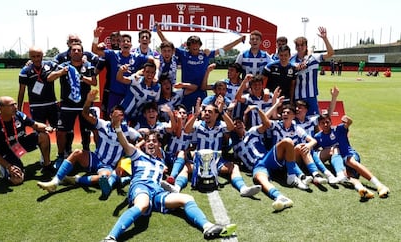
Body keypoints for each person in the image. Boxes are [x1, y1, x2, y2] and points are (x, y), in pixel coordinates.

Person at [100, 129, 237, 241]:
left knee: (187, 198)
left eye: (154, 141)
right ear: (144, 144)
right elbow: (125, 143)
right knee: (142, 205)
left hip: (157, 192)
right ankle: (111, 237)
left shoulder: (161, 164)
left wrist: (170, 186)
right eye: (148, 141)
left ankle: (208, 227)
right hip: (141, 186)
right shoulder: (137, 155)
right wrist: (118, 128)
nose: (151, 143)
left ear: (159, 144)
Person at [37, 90, 141, 199]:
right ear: (110, 115)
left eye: (120, 115)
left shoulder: (129, 131)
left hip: (108, 165)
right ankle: (54, 182)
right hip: (95, 158)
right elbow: (85, 114)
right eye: (116, 114)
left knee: (104, 178)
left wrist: (137, 146)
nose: (118, 117)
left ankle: (75, 179)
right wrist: (88, 101)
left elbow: (140, 138)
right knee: (76, 152)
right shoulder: (103, 124)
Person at [161, 98, 261, 197]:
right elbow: (187, 130)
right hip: (200, 162)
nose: (207, 113)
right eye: (205, 111)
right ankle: (176, 188)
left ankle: (243, 188)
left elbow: (231, 127)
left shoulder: (221, 125)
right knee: (186, 167)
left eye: (210, 111)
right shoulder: (199, 124)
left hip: (216, 161)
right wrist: (196, 114)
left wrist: (222, 113)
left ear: (216, 115)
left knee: (234, 167)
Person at [156, 25, 245, 112]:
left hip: (201, 92)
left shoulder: (205, 54)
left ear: (200, 45)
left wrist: (239, 40)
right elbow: (168, 45)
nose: (195, 46)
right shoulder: (183, 54)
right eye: (192, 44)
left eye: (197, 44)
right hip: (187, 92)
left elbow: (223, 49)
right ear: (188, 46)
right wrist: (159, 32)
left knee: (201, 115)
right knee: (186, 116)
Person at [230, 106, 299, 211]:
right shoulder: (234, 145)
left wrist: (257, 109)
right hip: (257, 166)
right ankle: (280, 197)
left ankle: (291, 176)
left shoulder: (252, 131)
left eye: (240, 122)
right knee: (259, 178)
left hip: (267, 158)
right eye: (235, 124)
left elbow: (266, 124)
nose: (238, 124)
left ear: (244, 124)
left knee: (288, 141)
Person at [314, 113, 390, 199]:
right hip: (338, 162)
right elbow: (314, 150)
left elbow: (348, 123)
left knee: (349, 161)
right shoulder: (318, 136)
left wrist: (348, 119)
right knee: (347, 175)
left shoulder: (338, 129)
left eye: (327, 122)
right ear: (319, 125)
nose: (325, 124)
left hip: (349, 154)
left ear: (331, 122)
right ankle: (362, 189)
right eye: (322, 123)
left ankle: (380, 185)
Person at [47, 43, 97, 166]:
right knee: (62, 132)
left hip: (84, 105)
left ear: (82, 53)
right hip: (67, 105)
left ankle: (86, 153)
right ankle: (60, 156)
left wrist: (81, 77)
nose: (76, 52)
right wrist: (61, 73)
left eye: (78, 50)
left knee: (86, 131)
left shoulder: (88, 65)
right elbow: (49, 78)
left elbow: (94, 82)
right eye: (73, 50)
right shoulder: (64, 66)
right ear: (69, 53)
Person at [0, 96, 55, 185]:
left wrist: (47, 127)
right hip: (6, 152)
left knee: (43, 135)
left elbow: (35, 125)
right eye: (11, 105)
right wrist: (9, 166)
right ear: (1, 108)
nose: (15, 107)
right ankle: (5, 168)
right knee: (17, 180)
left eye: (15, 104)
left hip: (20, 144)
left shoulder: (19, 115)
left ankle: (47, 165)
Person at [92, 27, 157, 115]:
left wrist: (155, 75)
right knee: (113, 118)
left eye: (128, 41)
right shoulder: (113, 54)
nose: (125, 43)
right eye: (123, 41)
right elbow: (95, 50)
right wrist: (96, 37)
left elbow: (155, 60)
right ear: (120, 44)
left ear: (131, 45)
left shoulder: (137, 57)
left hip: (129, 95)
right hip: (114, 94)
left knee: (126, 120)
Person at [290, 26, 334, 116]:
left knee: (314, 121)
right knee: (299, 122)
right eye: (297, 45)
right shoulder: (291, 60)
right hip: (298, 96)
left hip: (311, 96)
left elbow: (330, 53)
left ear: (306, 46)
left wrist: (325, 39)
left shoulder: (314, 57)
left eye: (302, 45)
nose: (300, 47)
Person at [17, 46, 59, 134]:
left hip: (52, 104)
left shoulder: (50, 65)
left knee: (59, 131)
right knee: (40, 134)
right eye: (33, 56)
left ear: (42, 55)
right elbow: (21, 91)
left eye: (38, 56)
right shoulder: (25, 71)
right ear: (29, 56)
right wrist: (19, 110)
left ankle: (63, 149)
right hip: (36, 106)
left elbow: (63, 67)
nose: (36, 59)